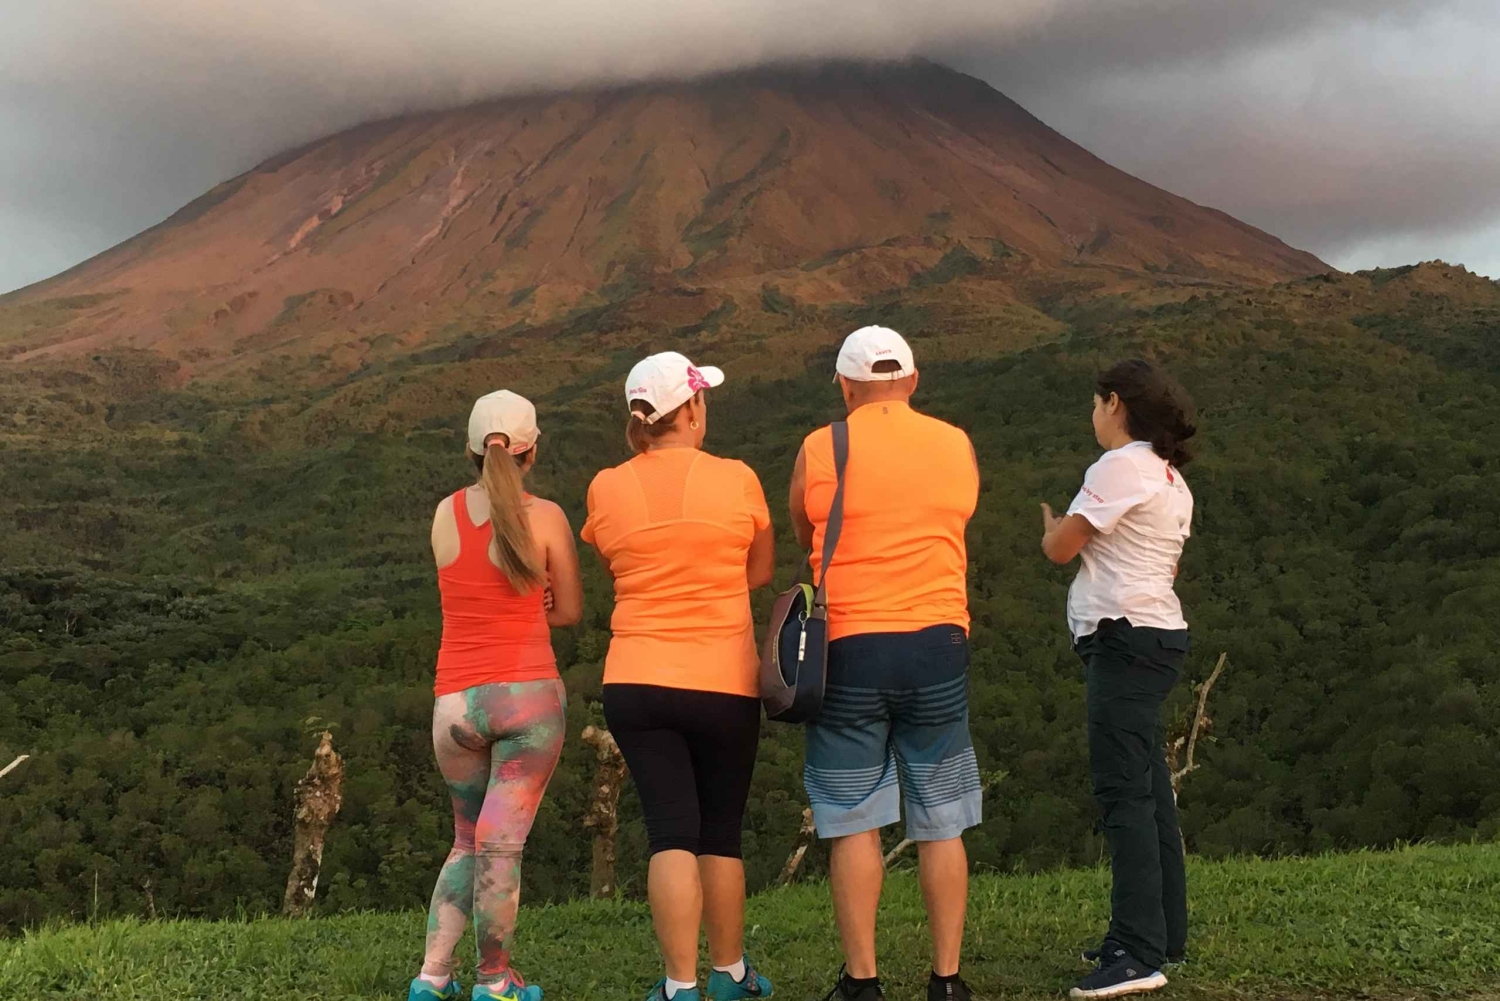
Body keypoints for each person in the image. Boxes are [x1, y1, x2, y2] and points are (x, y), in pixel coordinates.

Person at [788, 326, 981, 1001]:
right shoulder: (953, 442)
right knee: (943, 814)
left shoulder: (821, 445)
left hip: (849, 646)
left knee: (853, 816)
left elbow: (803, 526)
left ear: (845, 387)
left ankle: (862, 981)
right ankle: (947, 978)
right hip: (937, 641)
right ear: (914, 381)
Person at [581, 352, 777, 1001]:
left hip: (637, 678)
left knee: (670, 830)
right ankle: (729, 973)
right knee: (719, 831)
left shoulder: (606, 485)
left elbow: (614, 561)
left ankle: (678, 984)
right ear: (691, 409)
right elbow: (759, 570)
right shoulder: (739, 478)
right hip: (724, 678)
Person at [410, 390, 584, 1001]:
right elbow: (569, 610)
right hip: (529, 700)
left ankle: (432, 978)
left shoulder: (442, 514)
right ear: (532, 451)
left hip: (455, 702)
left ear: (470, 450)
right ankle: (494, 981)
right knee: (501, 846)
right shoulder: (550, 517)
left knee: (465, 839)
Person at [1040, 359, 1197, 1000]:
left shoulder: (1119, 466)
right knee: (1150, 790)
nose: (1093, 414)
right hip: (1156, 634)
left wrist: (1052, 527)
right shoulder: (1169, 477)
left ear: (1113, 404)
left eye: (1096, 402)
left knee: (1123, 794)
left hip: (1123, 638)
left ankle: (1137, 952)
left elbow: (1060, 549)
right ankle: (1162, 934)